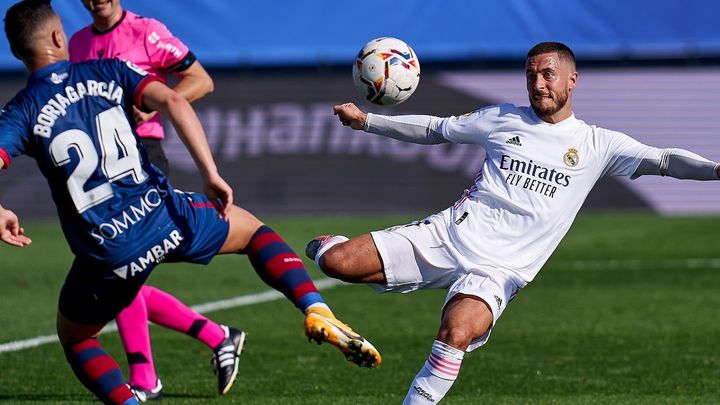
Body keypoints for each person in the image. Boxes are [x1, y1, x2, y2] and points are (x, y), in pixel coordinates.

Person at [0, 2, 381, 404]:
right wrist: (210, 173)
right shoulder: (108, 69)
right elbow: (176, 102)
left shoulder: (20, 111)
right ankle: (314, 306)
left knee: (77, 338)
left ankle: (140, 387)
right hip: (160, 215)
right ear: (58, 37)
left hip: (106, 249)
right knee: (254, 233)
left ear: (17, 52)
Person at [308, 41, 720, 404]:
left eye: (548, 74)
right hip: (448, 236)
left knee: (456, 333)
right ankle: (330, 244)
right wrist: (367, 121)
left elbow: (665, 160)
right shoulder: (502, 118)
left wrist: (716, 170)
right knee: (335, 263)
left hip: (499, 270)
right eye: (531, 76)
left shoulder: (598, 144)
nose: (538, 84)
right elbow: (436, 129)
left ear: (572, 80)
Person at [68, 0, 231, 399]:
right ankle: (217, 335)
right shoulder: (78, 43)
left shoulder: (146, 31)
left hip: (142, 158)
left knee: (119, 267)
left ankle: (145, 378)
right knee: (122, 271)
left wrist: (148, 107)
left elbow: (201, 81)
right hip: (101, 166)